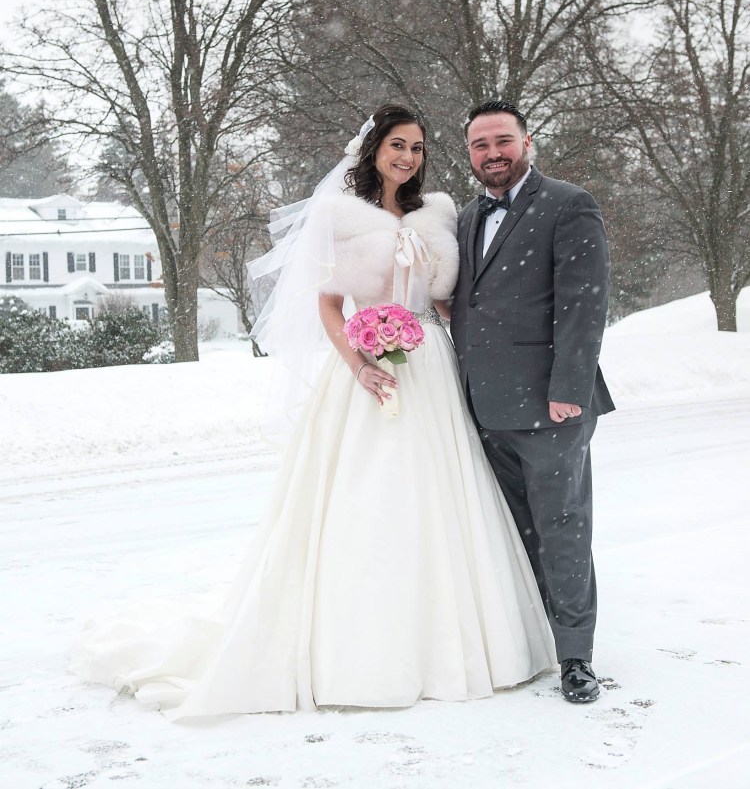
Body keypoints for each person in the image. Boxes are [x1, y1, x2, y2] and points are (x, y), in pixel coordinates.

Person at [72, 104, 555, 718]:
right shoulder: (338, 215)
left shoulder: (440, 212)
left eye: (416, 148)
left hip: (432, 366)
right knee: (369, 498)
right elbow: (330, 303)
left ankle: (454, 640)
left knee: (443, 498)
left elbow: (452, 299)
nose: (407, 158)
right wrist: (360, 361)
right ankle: (363, 648)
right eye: (397, 146)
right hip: (367, 366)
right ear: (373, 149)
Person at [450, 100, 615, 704]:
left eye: (502, 140)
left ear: (525, 141)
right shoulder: (467, 216)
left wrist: (569, 390)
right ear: (468, 153)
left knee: (562, 527)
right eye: (479, 144)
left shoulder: (568, 205)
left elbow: (584, 303)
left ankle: (576, 656)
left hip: (552, 408)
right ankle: (536, 639)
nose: (492, 153)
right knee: (514, 532)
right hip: (485, 406)